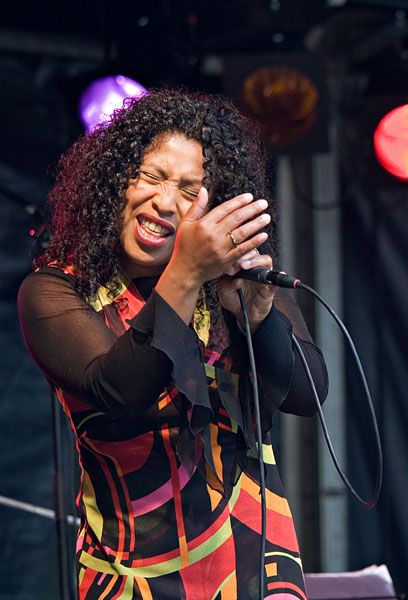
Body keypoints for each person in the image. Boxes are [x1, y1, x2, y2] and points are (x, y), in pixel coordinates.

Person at [18, 89, 328, 598]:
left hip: (257, 564)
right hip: (135, 573)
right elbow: (120, 391)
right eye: (153, 176)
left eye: (191, 190)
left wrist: (258, 314)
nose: (165, 201)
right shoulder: (57, 289)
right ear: (117, 179)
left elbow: (307, 395)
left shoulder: (229, 284)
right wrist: (185, 272)